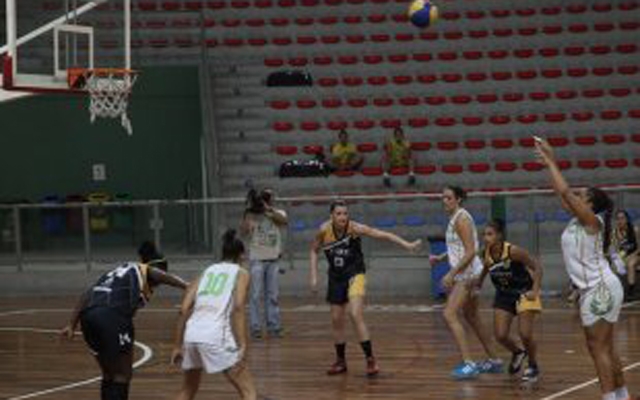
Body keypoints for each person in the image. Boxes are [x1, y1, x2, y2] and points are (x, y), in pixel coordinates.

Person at [534, 137, 633, 400]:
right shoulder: (580, 219)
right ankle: (622, 394)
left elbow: (566, 192)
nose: (577, 197)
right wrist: (548, 165)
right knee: (606, 346)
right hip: (599, 287)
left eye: (583, 196)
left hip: (599, 288)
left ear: (591, 204)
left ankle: (609, 397)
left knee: (597, 348)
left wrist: (552, 160)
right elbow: (561, 193)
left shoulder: (593, 221)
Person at [61, 241, 187, 400]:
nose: (160, 283)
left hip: (89, 317)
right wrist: (187, 286)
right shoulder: (141, 269)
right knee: (122, 374)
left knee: (108, 373)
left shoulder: (117, 273)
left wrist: (71, 324)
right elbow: (157, 274)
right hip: (112, 317)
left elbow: (87, 293)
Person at [309, 200, 421, 377]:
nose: (343, 217)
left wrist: (406, 244)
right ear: (331, 216)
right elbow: (314, 251)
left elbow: (382, 234)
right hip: (336, 277)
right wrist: (314, 276)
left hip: (355, 274)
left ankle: (370, 360)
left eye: (345, 213)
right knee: (336, 319)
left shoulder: (355, 228)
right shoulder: (323, 230)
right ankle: (340, 361)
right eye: (338, 214)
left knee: (355, 313)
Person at [172, 230, 257, 400]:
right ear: (241, 255)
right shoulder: (241, 273)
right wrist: (243, 344)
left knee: (187, 391)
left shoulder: (207, 271)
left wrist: (177, 345)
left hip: (191, 335)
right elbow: (239, 306)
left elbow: (183, 309)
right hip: (216, 335)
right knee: (248, 391)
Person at [429, 186, 503, 380]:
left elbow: (470, 251)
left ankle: (469, 363)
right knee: (472, 317)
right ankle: (495, 360)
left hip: (467, 274)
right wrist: (441, 257)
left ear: (459, 199)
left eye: (448, 198)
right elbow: (460, 247)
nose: (444, 200)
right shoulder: (456, 218)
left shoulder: (461, 219)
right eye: (443, 197)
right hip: (468, 272)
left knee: (449, 313)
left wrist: (451, 274)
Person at [476, 219, 543, 382]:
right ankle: (518, 352)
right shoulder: (485, 252)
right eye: (484, 234)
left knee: (525, 334)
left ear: (499, 236)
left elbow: (537, 267)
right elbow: (486, 268)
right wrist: (477, 283)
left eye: (490, 234)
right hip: (503, 294)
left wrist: (535, 291)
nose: (486, 237)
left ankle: (533, 366)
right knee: (500, 335)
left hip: (524, 292)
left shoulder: (514, 251)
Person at [241, 188, 288, 339]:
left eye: (270, 196)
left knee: (272, 295)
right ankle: (255, 328)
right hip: (257, 260)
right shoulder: (252, 214)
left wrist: (268, 210)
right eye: (266, 196)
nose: (269, 197)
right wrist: (249, 214)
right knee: (255, 295)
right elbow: (243, 232)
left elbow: (283, 221)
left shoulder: (278, 212)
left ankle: (274, 327)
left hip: (273, 259)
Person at [611, 210, 640, 299]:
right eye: (618, 219)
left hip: (636, 254)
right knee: (613, 266)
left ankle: (631, 291)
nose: (620, 221)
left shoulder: (635, 230)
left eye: (622, 218)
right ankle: (615, 290)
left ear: (627, 219)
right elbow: (614, 249)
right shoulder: (614, 233)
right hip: (623, 256)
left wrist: (631, 256)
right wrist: (615, 258)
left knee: (630, 264)